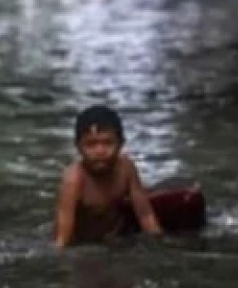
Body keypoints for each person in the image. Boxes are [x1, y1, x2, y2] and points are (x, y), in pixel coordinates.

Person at [52, 106, 163, 247]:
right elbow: (62, 238)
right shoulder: (74, 180)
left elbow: (145, 214)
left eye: (107, 143)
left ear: (121, 143)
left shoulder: (126, 168)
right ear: (78, 147)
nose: (100, 151)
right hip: (82, 244)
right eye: (91, 144)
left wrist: (158, 242)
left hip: (112, 239)